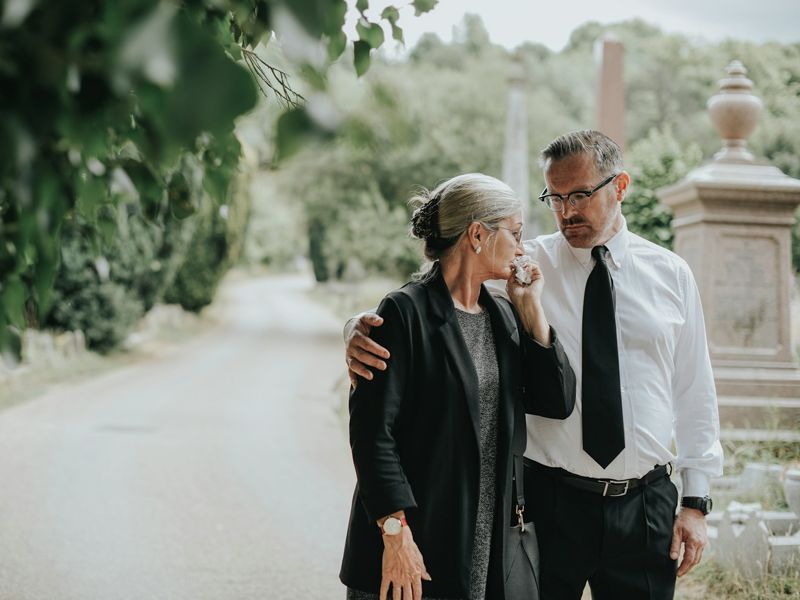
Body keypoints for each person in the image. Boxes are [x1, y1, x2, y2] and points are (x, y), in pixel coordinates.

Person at [344, 131, 723, 600]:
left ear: (620, 186)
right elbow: (429, 297)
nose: (566, 212)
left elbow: (692, 392)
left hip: (646, 506)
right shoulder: (521, 266)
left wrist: (696, 502)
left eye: (580, 195)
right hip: (550, 504)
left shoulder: (669, 275)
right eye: (556, 198)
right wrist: (357, 328)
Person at [340, 173, 576, 600]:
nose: (523, 248)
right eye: (516, 233)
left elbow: (556, 402)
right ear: (477, 234)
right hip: (412, 543)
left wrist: (532, 311)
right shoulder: (403, 312)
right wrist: (396, 535)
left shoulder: (502, 315)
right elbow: (373, 436)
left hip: (485, 545)